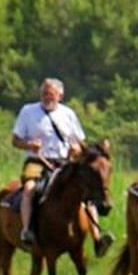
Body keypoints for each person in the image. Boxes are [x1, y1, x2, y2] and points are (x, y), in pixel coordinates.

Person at [11, 77, 87, 246]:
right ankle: (27, 230)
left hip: (63, 162)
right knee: (29, 188)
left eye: (51, 94)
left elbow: (81, 143)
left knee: (85, 187)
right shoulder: (28, 111)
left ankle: (96, 234)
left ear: (60, 95)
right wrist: (29, 145)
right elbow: (15, 140)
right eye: (44, 93)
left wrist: (76, 150)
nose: (47, 97)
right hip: (37, 160)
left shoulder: (68, 114)